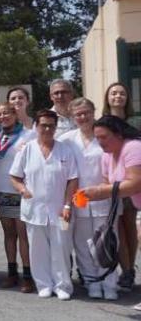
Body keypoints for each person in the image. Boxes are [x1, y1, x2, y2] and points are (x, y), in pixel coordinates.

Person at [9, 110, 78, 300]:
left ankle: (62, 285)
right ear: (36, 127)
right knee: (37, 249)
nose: (47, 129)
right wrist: (22, 189)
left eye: (51, 125)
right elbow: (14, 176)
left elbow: (72, 180)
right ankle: (43, 284)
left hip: (59, 209)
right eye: (43, 125)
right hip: (34, 208)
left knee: (61, 248)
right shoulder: (27, 149)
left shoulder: (65, 150)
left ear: (55, 127)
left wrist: (67, 206)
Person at [61, 98, 118, 300]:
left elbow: (114, 162)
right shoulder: (67, 139)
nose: (83, 117)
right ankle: (92, 282)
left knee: (106, 242)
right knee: (83, 243)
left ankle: (110, 283)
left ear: (93, 112)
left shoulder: (104, 135)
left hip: (104, 197)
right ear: (72, 117)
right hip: (80, 199)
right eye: (78, 114)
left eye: (86, 112)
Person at [83, 115, 141, 302]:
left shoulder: (133, 147)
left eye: (104, 137)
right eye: (97, 138)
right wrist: (94, 194)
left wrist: (99, 191)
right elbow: (109, 187)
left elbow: (135, 184)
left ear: (118, 134)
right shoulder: (107, 156)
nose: (100, 142)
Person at [0, 102, 35, 292]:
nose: (3, 117)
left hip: (20, 191)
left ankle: (28, 275)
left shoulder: (28, 135)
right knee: (9, 234)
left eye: (7, 113)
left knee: (23, 235)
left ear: (15, 114)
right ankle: (11, 272)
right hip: (1, 191)